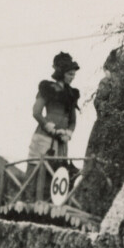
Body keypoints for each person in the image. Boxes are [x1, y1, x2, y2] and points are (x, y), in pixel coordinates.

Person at [29, 52, 82, 188]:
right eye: (70, 74)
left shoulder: (72, 94)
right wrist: (50, 128)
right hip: (44, 137)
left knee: (55, 178)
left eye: (74, 75)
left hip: (61, 142)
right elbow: (36, 112)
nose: (72, 77)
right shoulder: (48, 88)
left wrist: (68, 133)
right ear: (61, 73)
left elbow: (73, 121)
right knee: (34, 174)